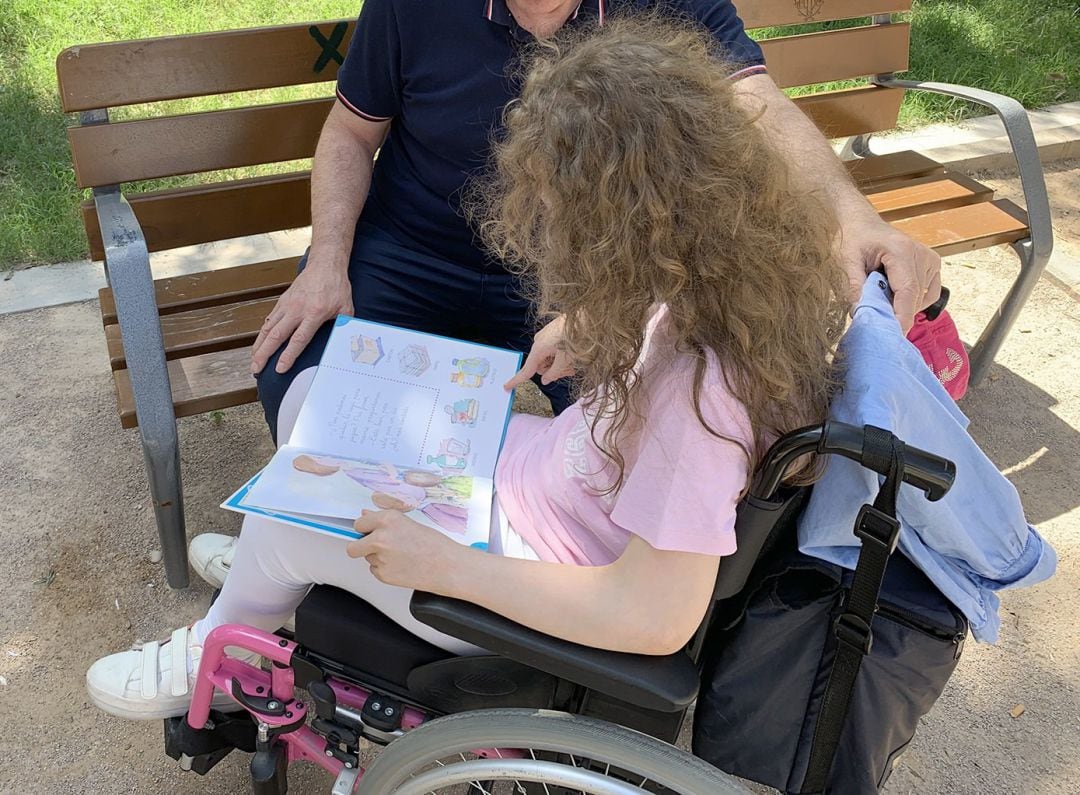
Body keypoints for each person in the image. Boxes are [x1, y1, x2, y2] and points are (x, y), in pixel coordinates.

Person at [86, 15, 848, 718]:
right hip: (538, 497)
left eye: (560, 222)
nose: (548, 243)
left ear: (616, 225)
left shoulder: (698, 406)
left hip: (520, 578)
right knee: (322, 411)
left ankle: (225, 640)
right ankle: (269, 577)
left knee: (300, 517)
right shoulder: (718, 284)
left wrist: (446, 566)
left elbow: (654, 617)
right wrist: (591, 325)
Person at [192, 0, 942, 583]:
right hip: (414, 247)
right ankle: (312, 558)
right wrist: (328, 259)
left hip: (581, 270)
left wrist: (855, 217)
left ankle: (531, 609)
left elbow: (756, 105)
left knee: (628, 441)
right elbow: (351, 132)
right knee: (300, 370)